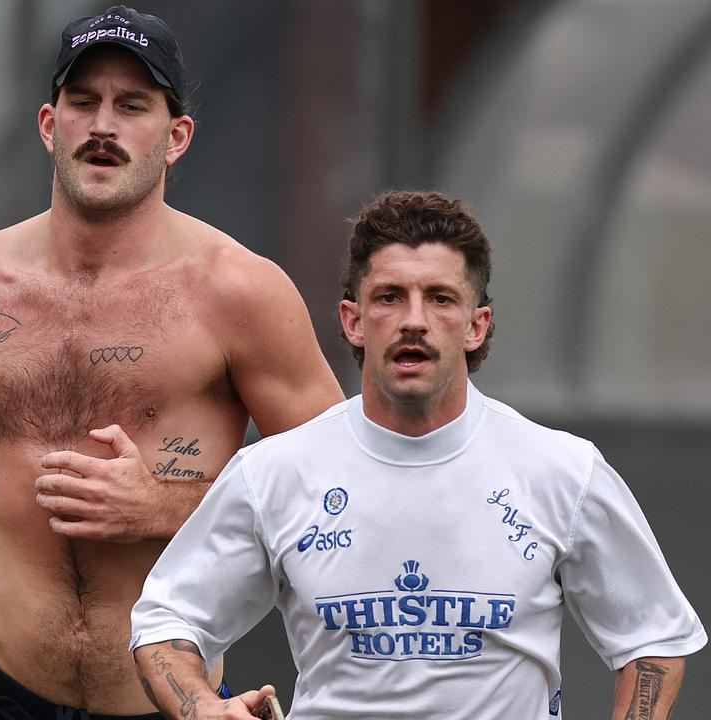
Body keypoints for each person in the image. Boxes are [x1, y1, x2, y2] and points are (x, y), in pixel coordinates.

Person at [0, 5, 344, 719]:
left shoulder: (239, 292)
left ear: (176, 137)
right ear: (49, 125)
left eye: (133, 105)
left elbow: (339, 481)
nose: (104, 124)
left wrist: (166, 505)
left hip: (165, 702)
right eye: (83, 101)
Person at [130, 190, 707, 719]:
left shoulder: (562, 470)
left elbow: (653, 640)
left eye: (440, 298)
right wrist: (202, 707)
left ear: (476, 326)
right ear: (353, 322)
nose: (413, 320)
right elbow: (165, 619)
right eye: (389, 297)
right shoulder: (276, 473)